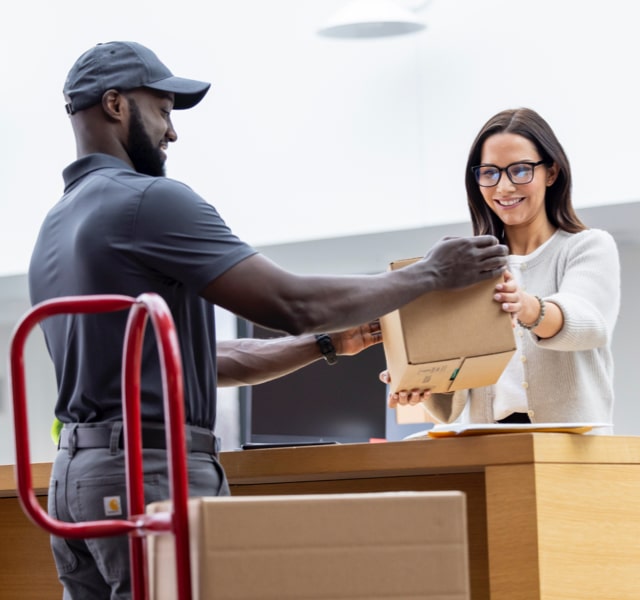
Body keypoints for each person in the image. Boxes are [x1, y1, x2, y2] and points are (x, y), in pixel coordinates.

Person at [28, 41, 507, 599]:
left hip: (76, 480)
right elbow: (289, 303)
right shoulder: (149, 202)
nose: (172, 131)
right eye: (162, 109)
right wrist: (430, 275)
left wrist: (324, 345)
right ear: (115, 105)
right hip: (150, 471)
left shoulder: (54, 227)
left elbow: (198, 364)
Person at [382, 107, 621, 430]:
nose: (504, 187)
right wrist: (418, 377)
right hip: (489, 448)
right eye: (489, 173)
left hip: (572, 452)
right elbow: (451, 400)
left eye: (520, 170)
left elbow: (588, 323)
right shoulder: (466, 266)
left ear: (551, 172)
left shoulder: (588, 246)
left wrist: (525, 307)